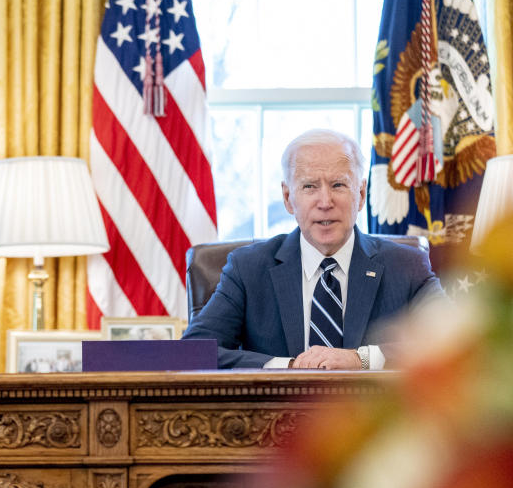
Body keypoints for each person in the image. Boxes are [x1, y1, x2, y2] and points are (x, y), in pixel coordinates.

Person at [183, 128, 444, 369]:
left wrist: (361, 359)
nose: (325, 201)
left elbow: (459, 345)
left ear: (361, 194)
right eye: (309, 186)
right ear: (288, 198)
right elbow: (194, 352)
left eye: (338, 185)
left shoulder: (407, 266)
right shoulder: (249, 268)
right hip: (276, 418)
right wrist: (288, 367)